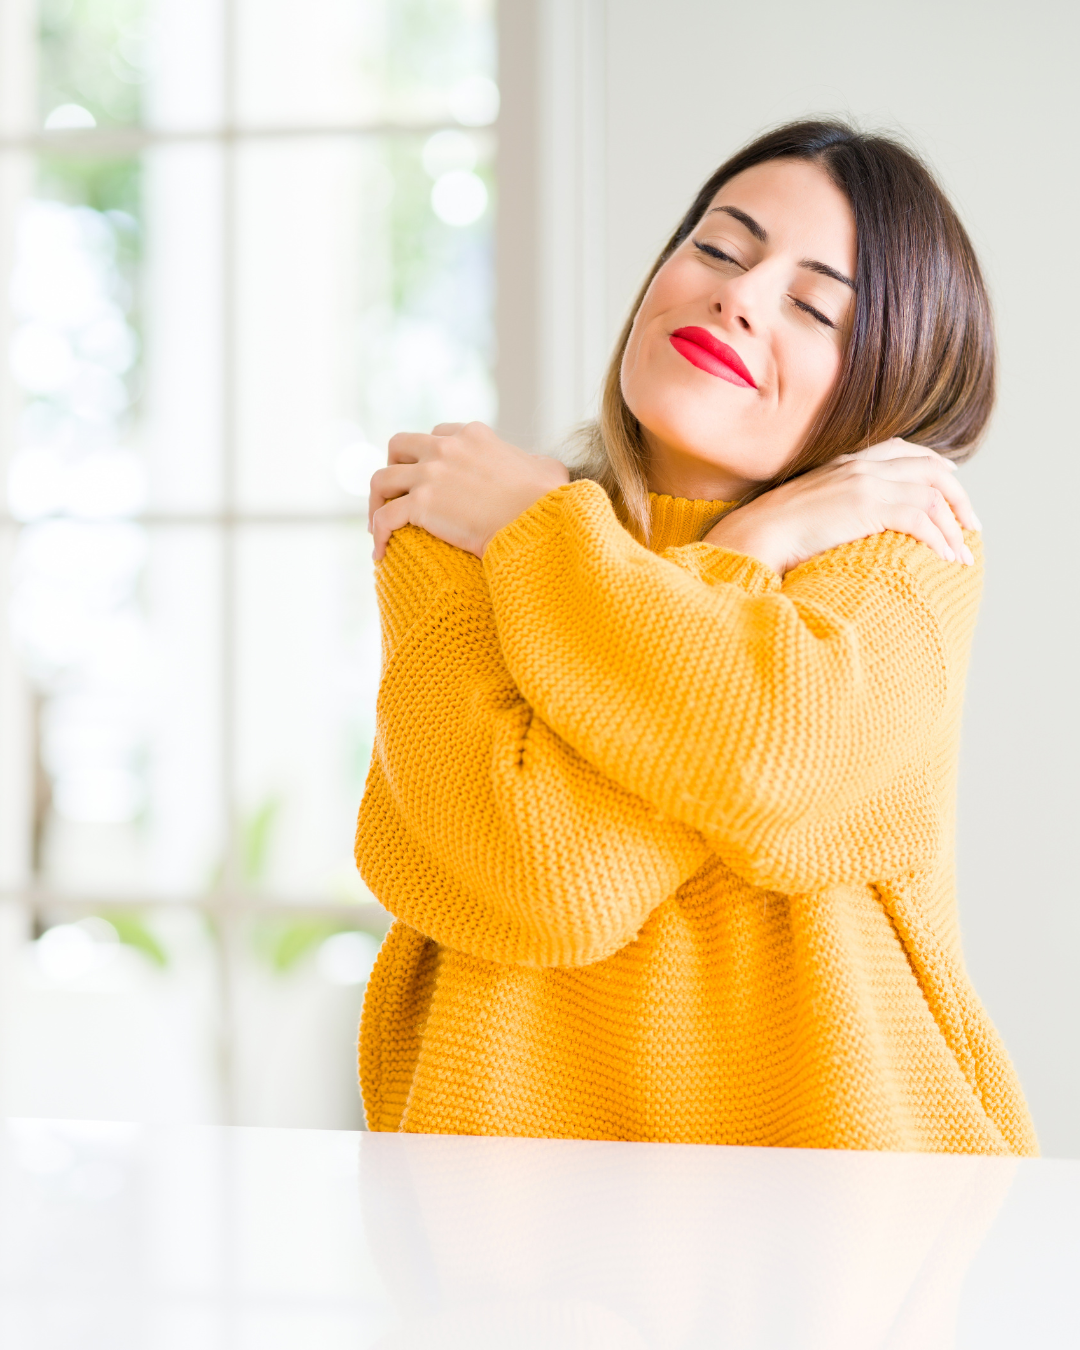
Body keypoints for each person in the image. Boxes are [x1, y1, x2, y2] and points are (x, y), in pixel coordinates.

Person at [355, 120, 1037, 1154]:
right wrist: (740, 555)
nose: (740, 297)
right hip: (499, 1233)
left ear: (890, 376)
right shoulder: (456, 540)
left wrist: (587, 536)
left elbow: (768, 751)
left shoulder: (901, 552)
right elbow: (549, 881)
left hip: (860, 1239)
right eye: (718, 247)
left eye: (813, 306)